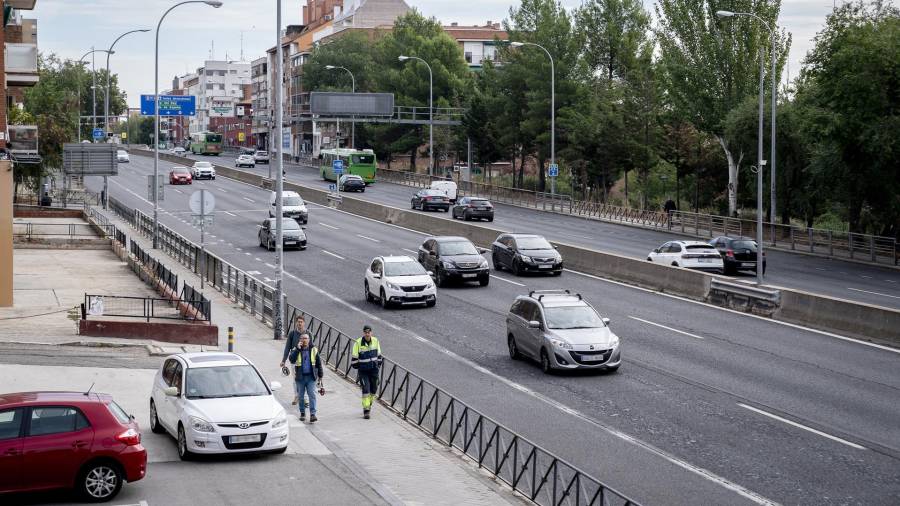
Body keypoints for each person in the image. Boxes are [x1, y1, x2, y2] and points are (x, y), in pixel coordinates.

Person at [288, 333, 323, 422]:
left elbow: (319, 363)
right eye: (302, 338)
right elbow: (291, 359)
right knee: (301, 396)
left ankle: (312, 414)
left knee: (312, 395)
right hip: (300, 377)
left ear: (309, 340)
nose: (304, 340)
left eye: (306, 338)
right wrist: (297, 350)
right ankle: (302, 413)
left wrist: (320, 375)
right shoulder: (296, 349)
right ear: (300, 340)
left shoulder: (314, 349)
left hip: (311, 377)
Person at [351, 325, 383, 419]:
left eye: (369, 332)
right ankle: (366, 410)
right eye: (366, 332)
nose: (367, 334)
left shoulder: (375, 341)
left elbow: (379, 355)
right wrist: (360, 367)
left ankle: (369, 402)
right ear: (363, 333)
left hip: (374, 370)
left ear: (371, 333)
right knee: (366, 389)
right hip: (363, 371)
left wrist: (378, 365)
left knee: (374, 389)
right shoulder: (358, 343)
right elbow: (354, 358)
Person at [280, 315, 306, 405]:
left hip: (305, 361)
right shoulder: (292, 333)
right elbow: (287, 348)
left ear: (304, 323)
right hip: (294, 360)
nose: (299, 323)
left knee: (305, 379)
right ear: (296, 323)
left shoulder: (308, 334)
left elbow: (312, 347)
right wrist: (283, 360)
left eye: (301, 322)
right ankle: (296, 396)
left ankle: (304, 397)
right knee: (295, 379)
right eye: (298, 322)